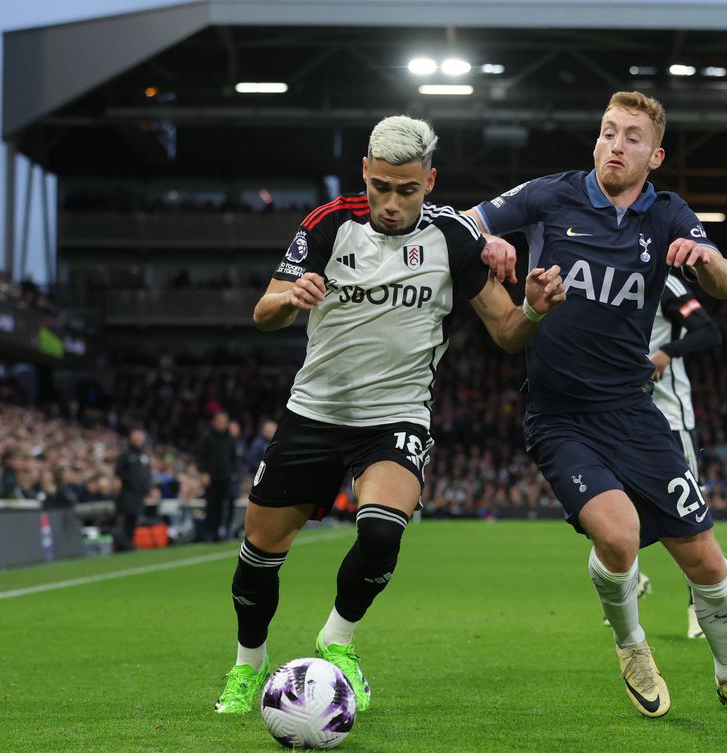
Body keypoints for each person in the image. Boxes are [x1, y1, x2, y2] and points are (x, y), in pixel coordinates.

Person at [213, 114, 565, 715]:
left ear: (430, 181)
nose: (391, 202)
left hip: (396, 415)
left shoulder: (454, 239)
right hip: (315, 413)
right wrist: (288, 299)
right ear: (365, 175)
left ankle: (338, 639)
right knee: (259, 557)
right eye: (380, 187)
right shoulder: (328, 224)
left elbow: (507, 333)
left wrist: (532, 310)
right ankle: (249, 664)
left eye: (406, 189)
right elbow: (262, 311)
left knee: (380, 532)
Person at [465, 91, 727, 716]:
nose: (616, 144)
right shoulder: (551, 195)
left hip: (635, 413)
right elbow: (461, 221)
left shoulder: (668, 215)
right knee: (620, 537)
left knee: (707, 564)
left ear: (654, 156)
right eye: (609, 131)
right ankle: (632, 644)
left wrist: (705, 258)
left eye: (632, 137)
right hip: (559, 416)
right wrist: (486, 242)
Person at [647, 271, 723, 639]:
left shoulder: (666, 284)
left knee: (689, 517)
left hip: (672, 419)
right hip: (623, 416)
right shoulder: (610, 276)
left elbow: (708, 331)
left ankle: (698, 608)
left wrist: (667, 352)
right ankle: (627, 587)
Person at [197, 412, 238, 542]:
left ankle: (218, 534)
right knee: (211, 506)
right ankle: (208, 533)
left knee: (222, 507)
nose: (221, 424)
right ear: (214, 422)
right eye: (219, 421)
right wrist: (203, 472)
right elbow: (201, 456)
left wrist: (231, 472)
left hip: (225, 477)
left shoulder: (230, 439)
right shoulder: (207, 437)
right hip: (211, 478)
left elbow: (233, 458)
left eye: (224, 421)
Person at [114, 429, 152, 551]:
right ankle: (123, 544)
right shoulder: (126, 454)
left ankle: (129, 542)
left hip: (139, 494)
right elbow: (119, 470)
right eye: (136, 437)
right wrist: (130, 482)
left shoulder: (143, 455)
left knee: (134, 519)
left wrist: (146, 487)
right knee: (127, 518)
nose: (138, 440)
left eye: (140, 438)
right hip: (128, 493)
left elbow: (147, 473)